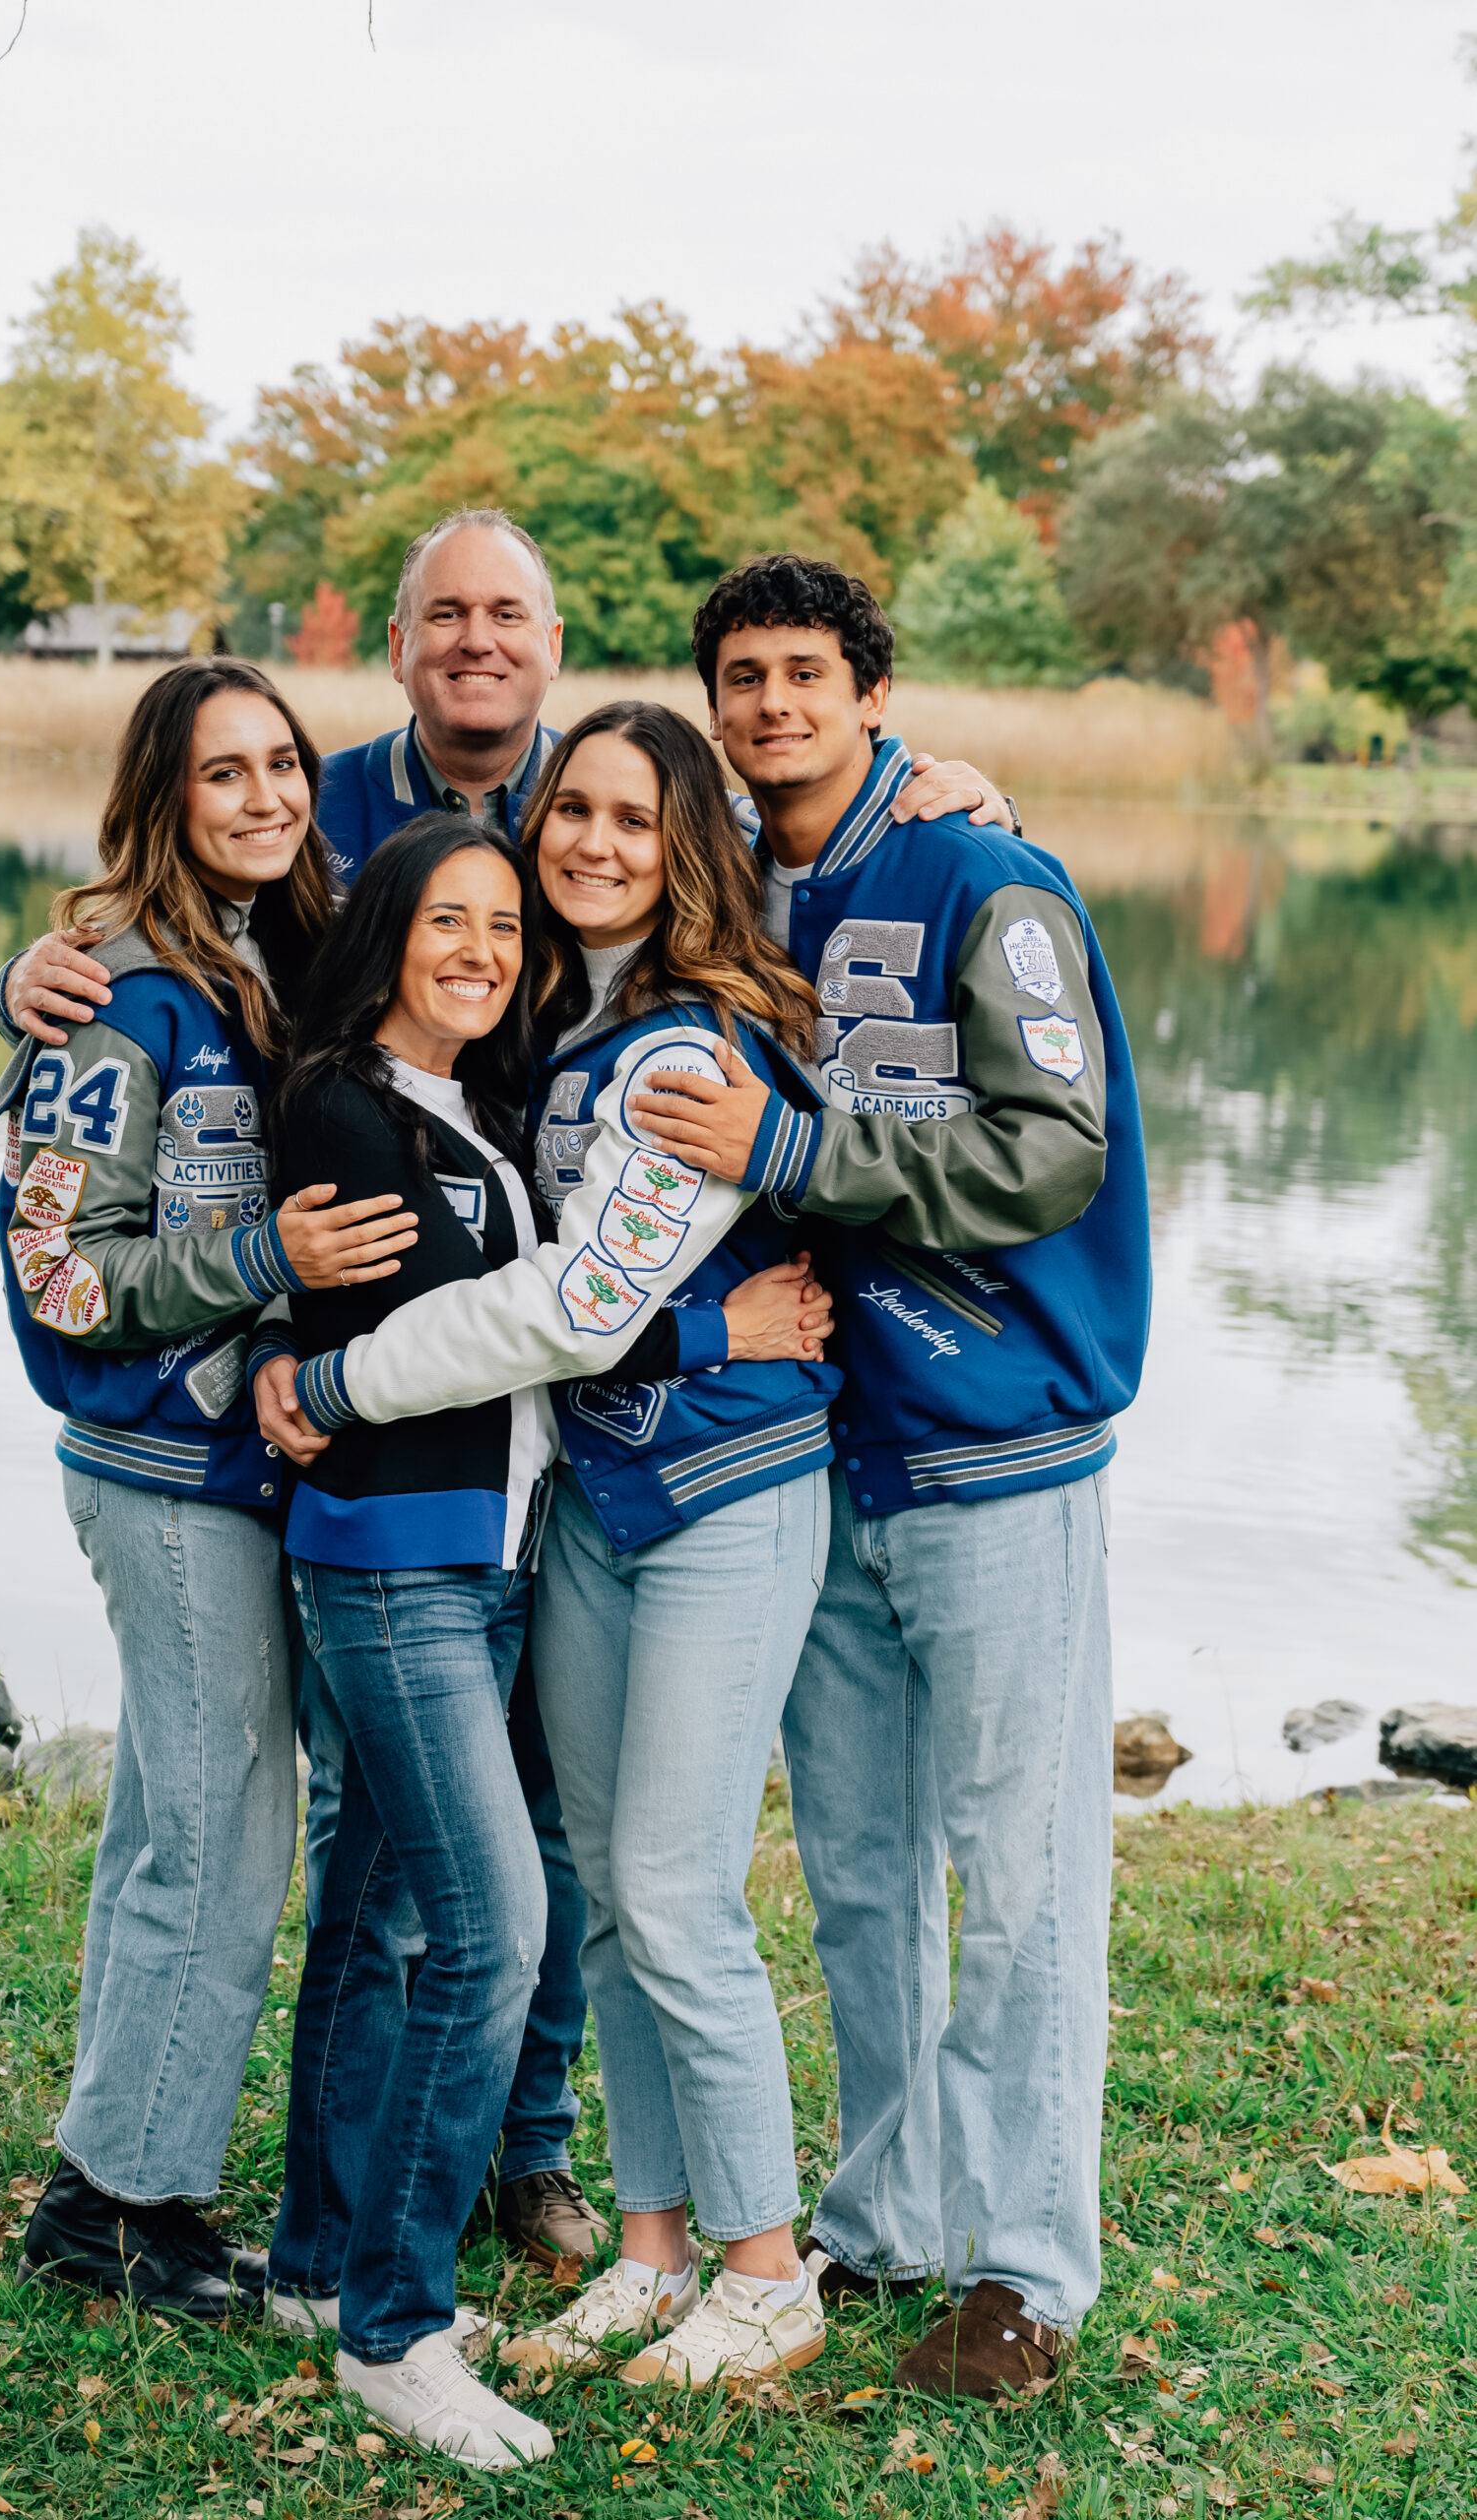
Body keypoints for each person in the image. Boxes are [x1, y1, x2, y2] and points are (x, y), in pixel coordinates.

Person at [0, 507, 1016, 2271]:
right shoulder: (258, 904)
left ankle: (513, 2177)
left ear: (552, 648)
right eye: (443, 613)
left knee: (532, 1851)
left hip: (524, 1478)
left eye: (510, 613)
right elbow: (92, 1229)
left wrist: (944, 786)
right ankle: (240, 2213)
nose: (262, 800)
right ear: (397, 648)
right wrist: (39, 993)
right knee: (304, 1840)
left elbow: (566, 1264)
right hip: (275, 1467)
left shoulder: (595, 907)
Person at [629, 553, 1153, 2401]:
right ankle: (889, 2211)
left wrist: (802, 1146)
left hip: (999, 1442)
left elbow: (1053, 1149)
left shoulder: (984, 873)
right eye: (741, 676)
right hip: (819, 1450)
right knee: (859, 1871)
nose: (771, 703)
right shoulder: (726, 888)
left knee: (1018, 1881)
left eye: (804, 673)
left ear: (868, 693)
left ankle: (1027, 2269)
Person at [288, 701, 848, 2395]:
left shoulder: (685, 1052)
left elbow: (585, 1304)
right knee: (608, 1897)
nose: (594, 842)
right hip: (592, 1510)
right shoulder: (557, 1032)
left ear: (693, 847)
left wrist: (331, 1378)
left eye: (634, 817)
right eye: (572, 813)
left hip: (727, 1500)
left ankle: (764, 2267)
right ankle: (656, 2248)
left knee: (675, 1893)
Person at [0, 659, 414, 2318]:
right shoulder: (116, 992)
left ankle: (117, 2172)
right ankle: (121, 2209)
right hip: (162, 1467)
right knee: (226, 1829)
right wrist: (260, 1253)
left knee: (183, 1818)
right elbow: (60, 1276)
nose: (264, 797)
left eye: (284, 765)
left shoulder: (281, 958)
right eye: (222, 774)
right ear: (163, 798)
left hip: (252, 1461)